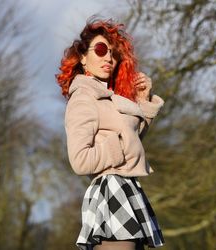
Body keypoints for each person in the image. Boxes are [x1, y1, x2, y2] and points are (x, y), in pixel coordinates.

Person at [56, 16, 165, 250]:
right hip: (110, 190)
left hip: (127, 187)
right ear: (83, 57)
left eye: (114, 53)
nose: (109, 57)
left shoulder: (109, 98)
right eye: (101, 49)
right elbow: (80, 161)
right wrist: (121, 142)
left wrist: (143, 102)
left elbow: (131, 142)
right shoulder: (83, 97)